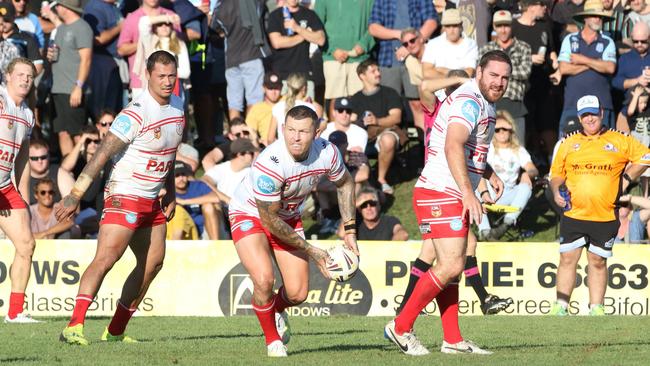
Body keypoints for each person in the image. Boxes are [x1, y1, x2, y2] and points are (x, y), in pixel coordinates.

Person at [384, 50, 512, 356]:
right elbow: (453, 143)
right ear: (479, 72)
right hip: (442, 190)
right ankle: (400, 326)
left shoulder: (484, 103)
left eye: (505, 77)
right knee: (453, 263)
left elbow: (468, 147)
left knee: (451, 267)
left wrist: (487, 173)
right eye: (493, 75)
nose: (499, 82)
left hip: (448, 189)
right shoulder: (469, 101)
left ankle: (453, 340)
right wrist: (469, 191)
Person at [57, 51, 184, 345]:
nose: (167, 82)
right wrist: (75, 194)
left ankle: (115, 331)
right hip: (125, 195)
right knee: (107, 257)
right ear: (147, 76)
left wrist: (172, 192)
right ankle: (73, 326)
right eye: (161, 76)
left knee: (153, 264)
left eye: (171, 76)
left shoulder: (178, 105)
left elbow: (170, 151)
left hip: (152, 199)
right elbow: (102, 153)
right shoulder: (135, 112)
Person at [227, 105, 358, 357]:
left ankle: (274, 310)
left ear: (317, 132)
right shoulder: (270, 163)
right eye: (290, 130)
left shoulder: (327, 152)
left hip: (288, 216)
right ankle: (273, 341)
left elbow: (345, 183)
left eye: (303, 132)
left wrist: (350, 229)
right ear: (283, 129)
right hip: (250, 214)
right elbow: (268, 219)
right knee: (264, 279)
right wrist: (312, 251)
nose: (295, 137)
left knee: (298, 294)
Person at [549, 95, 650, 316]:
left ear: (602, 114)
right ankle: (560, 307)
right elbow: (556, 174)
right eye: (585, 115)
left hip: (605, 214)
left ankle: (597, 309)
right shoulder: (568, 142)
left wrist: (627, 179)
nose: (590, 119)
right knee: (567, 259)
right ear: (579, 117)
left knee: (597, 261)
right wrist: (557, 191)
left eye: (593, 113)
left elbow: (645, 156)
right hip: (575, 212)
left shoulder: (619, 139)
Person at [0, 58, 39, 323]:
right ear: (8, 76)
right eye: (20, 74)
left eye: (30, 76)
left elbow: (23, 158)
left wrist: (22, 196)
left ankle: (15, 312)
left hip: (5, 186)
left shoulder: (27, 114)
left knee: (26, 244)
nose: (25, 79)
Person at [368, 0, 438, 132]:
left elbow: (431, 22)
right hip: (388, 59)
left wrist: (409, 45)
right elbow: (373, 27)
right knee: (390, 107)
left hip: (415, 59)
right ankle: (394, 145)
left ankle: (423, 144)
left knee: (418, 104)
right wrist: (399, 35)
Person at [477, 110, 539, 241]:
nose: (501, 132)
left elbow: (533, 169)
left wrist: (527, 174)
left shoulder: (519, 150)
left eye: (505, 129)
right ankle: (485, 232)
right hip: (487, 193)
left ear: (511, 130)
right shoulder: (487, 148)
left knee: (526, 187)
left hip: (509, 194)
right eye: (497, 129)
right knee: (476, 184)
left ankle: (506, 225)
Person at [558, 0, 616, 132]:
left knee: (604, 148)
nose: (598, 19)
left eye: (600, 16)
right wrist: (596, 62)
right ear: (585, 17)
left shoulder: (608, 41)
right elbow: (563, 68)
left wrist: (582, 59)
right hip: (573, 103)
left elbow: (610, 68)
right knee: (570, 146)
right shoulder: (570, 39)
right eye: (594, 15)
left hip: (601, 104)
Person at [45, 0, 93, 157]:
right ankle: (68, 171)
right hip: (57, 89)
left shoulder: (82, 27)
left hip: (73, 90)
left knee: (78, 134)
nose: (56, 8)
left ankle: (84, 173)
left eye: (58, 5)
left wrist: (78, 86)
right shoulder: (61, 28)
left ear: (66, 8)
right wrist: (50, 55)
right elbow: (59, 54)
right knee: (62, 133)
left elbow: (86, 59)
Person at [350, 59, 405, 195]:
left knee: (387, 140)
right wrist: (359, 122)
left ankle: (381, 179)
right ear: (362, 76)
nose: (378, 73)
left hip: (386, 132)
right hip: (364, 137)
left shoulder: (389, 93)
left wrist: (377, 120)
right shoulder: (356, 98)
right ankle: (358, 182)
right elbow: (350, 122)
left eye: (378, 70)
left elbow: (396, 117)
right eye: (373, 71)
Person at [478, 10, 532, 145]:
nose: (503, 30)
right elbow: (481, 75)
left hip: (515, 104)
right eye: (499, 26)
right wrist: (510, 70)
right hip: (490, 103)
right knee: (487, 148)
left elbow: (525, 72)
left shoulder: (524, 47)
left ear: (511, 26)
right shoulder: (486, 49)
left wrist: (495, 71)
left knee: (518, 148)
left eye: (506, 25)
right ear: (494, 27)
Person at [314, 0, 374, 117]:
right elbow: (317, 25)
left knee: (358, 99)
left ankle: (356, 132)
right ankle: (334, 133)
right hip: (332, 57)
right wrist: (332, 49)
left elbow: (376, 23)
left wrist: (363, 44)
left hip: (359, 58)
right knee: (335, 99)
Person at [213, 0, 268, 120]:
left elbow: (214, 25)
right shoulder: (256, 2)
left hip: (231, 59)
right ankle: (250, 135)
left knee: (234, 102)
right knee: (255, 99)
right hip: (252, 56)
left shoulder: (222, 4)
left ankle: (237, 134)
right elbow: (263, 14)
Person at [266, 0, 325, 99]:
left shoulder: (309, 14)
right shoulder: (275, 15)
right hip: (282, 76)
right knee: (284, 112)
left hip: (304, 76)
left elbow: (321, 39)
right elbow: (277, 43)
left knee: (306, 112)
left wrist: (297, 28)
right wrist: (305, 35)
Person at [133, 13, 189, 98]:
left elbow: (186, 72)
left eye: (167, 24)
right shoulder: (150, 41)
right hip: (151, 91)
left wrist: (161, 74)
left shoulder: (180, 43)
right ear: (155, 28)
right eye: (160, 24)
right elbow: (143, 22)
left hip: (175, 89)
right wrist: (167, 18)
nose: (164, 26)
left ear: (171, 26)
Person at [421, 9, 477, 80]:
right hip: (442, 85)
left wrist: (441, 69)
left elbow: (469, 73)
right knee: (425, 85)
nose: (451, 30)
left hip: (463, 86)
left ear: (461, 25)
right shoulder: (433, 43)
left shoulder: (471, 44)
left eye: (455, 25)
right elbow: (426, 73)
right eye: (448, 26)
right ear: (444, 27)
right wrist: (454, 78)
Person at [336, 185, 408, 240]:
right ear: (359, 209)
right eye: (363, 205)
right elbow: (342, 234)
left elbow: (402, 234)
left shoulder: (389, 221)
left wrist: (389, 249)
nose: (369, 208)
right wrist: (352, 207)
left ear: (378, 205)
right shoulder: (355, 223)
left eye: (372, 203)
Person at [268, 72, 322, 144]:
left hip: (282, 150)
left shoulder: (278, 106)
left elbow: (270, 139)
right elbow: (316, 135)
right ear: (304, 88)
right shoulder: (311, 107)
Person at [28, 139, 74, 204]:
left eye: (43, 157)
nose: (40, 161)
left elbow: (71, 205)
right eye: (34, 158)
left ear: (49, 156)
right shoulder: (20, 178)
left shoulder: (61, 174)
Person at [246, 72, 282, 147]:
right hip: (266, 147)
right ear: (263, 88)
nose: (274, 92)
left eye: (277, 88)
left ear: (281, 87)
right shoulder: (257, 108)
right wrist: (259, 141)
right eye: (270, 88)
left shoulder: (288, 101)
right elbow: (249, 132)